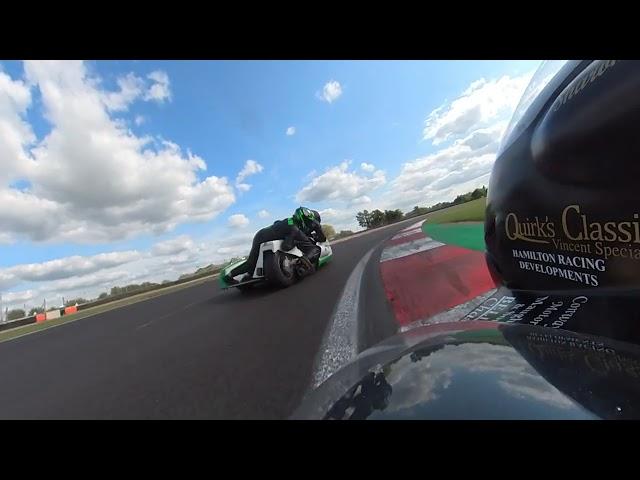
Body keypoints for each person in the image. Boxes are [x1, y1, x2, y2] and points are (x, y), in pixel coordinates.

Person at [224, 207, 326, 284]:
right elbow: (287, 246)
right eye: (311, 223)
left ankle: (229, 276)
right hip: (273, 236)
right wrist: (317, 228)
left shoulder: (288, 221)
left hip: (260, 235)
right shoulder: (294, 228)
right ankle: (302, 266)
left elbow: (277, 224)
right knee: (314, 249)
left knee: (251, 263)